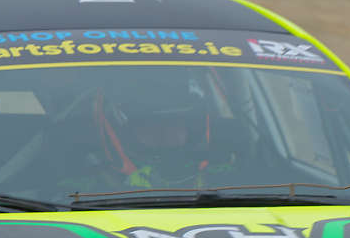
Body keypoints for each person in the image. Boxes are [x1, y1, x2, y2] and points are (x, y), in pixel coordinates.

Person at [70, 71, 240, 196]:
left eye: (175, 123)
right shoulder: (87, 188)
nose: (164, 133)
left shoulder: (228, 178)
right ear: (123, 131)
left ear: (193, 128)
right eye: (149, 124)